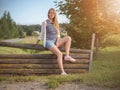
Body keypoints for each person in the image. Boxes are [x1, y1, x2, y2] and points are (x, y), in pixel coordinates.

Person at [36, 8, 76, 75]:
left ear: (55, 15)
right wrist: (37, 42)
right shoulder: (45, 23)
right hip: (48, 41)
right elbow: (42, 33)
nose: (51, 14)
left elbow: (58, 34)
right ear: (48, 14)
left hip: (55, 40)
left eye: (53, 13)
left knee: (68, 38)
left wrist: (57, 41)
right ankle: (62, 72)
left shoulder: (56, 23)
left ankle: (67, 56)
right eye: (50, 12)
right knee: (59, 54)